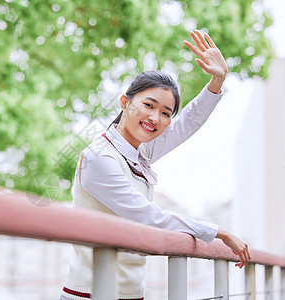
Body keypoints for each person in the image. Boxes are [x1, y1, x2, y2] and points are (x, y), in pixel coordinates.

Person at [60, 30, 251, 300]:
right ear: (125, 102)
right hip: (91, 294)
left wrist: (217, 80)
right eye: (148, 105)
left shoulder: (139, 152)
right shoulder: (100, 158)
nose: (155, 117)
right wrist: (218, 231)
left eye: (165, 113)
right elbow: (150, 218)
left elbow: (187, 124)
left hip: (130, 294)